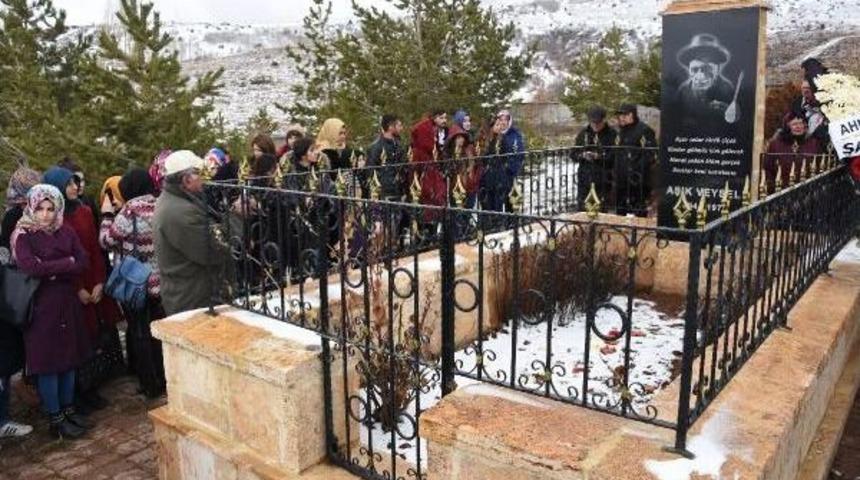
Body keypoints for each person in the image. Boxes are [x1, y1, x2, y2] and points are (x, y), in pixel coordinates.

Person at [12, 184, 93, 439]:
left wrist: (55, 266)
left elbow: (82, 260)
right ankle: (55, 419)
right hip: (40, 307)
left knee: (68, 360)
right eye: (40, 208)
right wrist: (65, 263)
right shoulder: (23, 235)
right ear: (31, 208)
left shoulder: (65, 230)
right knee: (48, 364)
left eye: (50, 208)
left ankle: (68, 411)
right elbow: (30, 268)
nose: (46, 214)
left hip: (66, 302)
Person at [44, 167, 122, 411]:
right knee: (78, 339)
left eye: (75, 183)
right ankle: (76, 393)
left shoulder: (86, 211)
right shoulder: (53, 220)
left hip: (92, 279)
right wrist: (78, 288)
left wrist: (99, 280)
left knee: (95, 335)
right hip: (71, 286)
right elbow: (61, 256)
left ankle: (92, 387)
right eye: (69, 184)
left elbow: (95, 250)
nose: (75, 187)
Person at [99, 168, 165, 398]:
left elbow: (107, 240)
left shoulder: (128, 212)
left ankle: (150, 384)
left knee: (139, 333)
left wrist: (107, 217)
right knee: (158, 331)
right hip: (159, 280)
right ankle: (165, 377)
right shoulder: (160, 205)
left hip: (136, 282)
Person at [153, 150, 231, 315]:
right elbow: (212, 252)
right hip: (192, 301)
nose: (204, 179)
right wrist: (237, 218)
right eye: (200, 174)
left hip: (187, 295)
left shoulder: (176, 200)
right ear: (186, 180)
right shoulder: (181, 212)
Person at [674, 33, 737, 127]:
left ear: (718, 69)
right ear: (689, 69)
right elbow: (675, 120)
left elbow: (737, 125)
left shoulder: (727, 89)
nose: (701, 75)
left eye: (707, 69)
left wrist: (728, 114)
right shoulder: (683, 90)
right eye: (695, 69)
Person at [614, 104, 657, 217]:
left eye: (623, 115)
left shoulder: (644, 130)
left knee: (639, 210)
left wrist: (636, 167)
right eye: (619, 115)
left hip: (638, 178)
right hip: (621, 178)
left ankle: (638, 233)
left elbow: (651, 154)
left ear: (631, 115)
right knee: (620, 209)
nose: (620, 118)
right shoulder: (620, 131)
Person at [764, 111, 823, 194]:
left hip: (807, 191)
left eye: (801, 123)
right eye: (794, 124)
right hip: (780, 191)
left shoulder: (813, 143)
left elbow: (820, 166)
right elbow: (768, 169)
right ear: (787, 127)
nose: (798, 127)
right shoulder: (775, 144)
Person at [480, 110, 526, 212]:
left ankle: (510, 222)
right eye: (501, 120)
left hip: (508, 173)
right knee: (494, 201)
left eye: (506, 120)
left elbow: (518, 154)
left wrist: (510, 168)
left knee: (510, 200)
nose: (503, 122)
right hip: (493, 175)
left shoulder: (515, 135)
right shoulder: (490, 137)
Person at [574, 106, 618, 211]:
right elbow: (573, 154)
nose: (595, 126)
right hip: (585, 178)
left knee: (601, 210)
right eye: (593, 123)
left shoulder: (612, 134)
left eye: (598, 123)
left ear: (604, 120)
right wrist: (582, 155)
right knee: (583, 209)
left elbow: (616, 156)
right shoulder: (583, 133)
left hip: (604, 179)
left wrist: (599, 157)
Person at [410, 111, 448, 230]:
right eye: (442, 118)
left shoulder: (433, 151)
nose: (445, 121)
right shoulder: (420, 154)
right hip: (425, 192)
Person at [365, 114, 406, 201]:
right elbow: (371, 170)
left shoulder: (398, 144)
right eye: (399, 125)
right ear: (391, 127)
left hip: (398, 189)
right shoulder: (376, 147)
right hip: (383, 190)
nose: (401, 128)